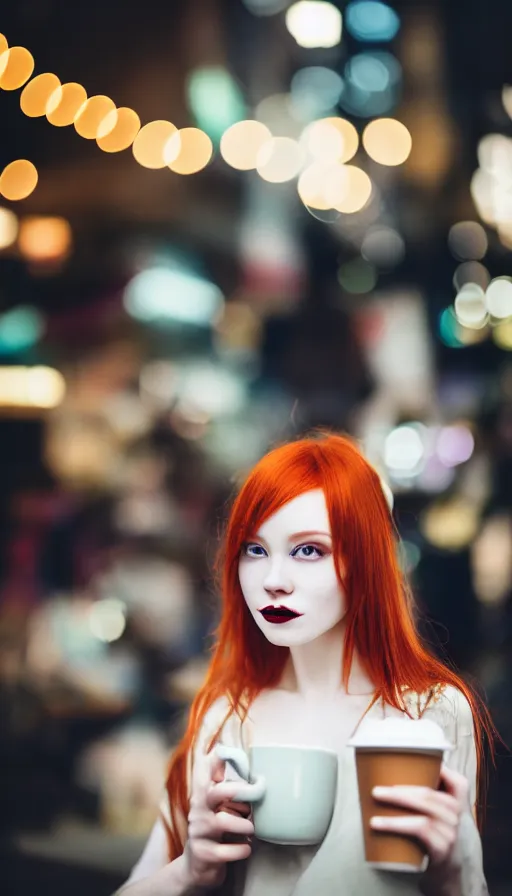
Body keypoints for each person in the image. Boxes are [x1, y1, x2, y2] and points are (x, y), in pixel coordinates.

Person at [117, 432, 496, 896]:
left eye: (308, 550)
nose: (273, 580)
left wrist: (451, 874)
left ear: (364, 562)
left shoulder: (429, 713)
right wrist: (189, 871)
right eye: (255, 550)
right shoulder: (228, 716)